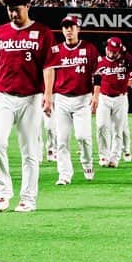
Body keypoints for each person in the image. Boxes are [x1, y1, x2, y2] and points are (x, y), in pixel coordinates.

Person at [0, 0, 55, 211]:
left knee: (30, 150)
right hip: (3, 96)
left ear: (28, 6)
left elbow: (49, 66)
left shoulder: (43, 32)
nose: (13, 13)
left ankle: (28, 198)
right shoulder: (0, 33)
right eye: (10, 9)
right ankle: (4, 191)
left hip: (31, 98)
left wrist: (48, 94)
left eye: (17, 8)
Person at [43, 12, 99, 186]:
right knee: (62, 139)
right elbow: (49, 71)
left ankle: (87, 163)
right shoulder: (56, 50)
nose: (68, 30)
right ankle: (64, 174)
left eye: (72, 27)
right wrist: (48, 95)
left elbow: (97, 73)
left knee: (83, 137)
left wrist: (96, 95)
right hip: (62, 99)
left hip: (83, 99)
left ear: (78, 29)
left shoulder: (89, 48)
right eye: (65, 27)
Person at [93, 36, 132, 169]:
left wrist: (125, 53)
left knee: (118, 129)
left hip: (120, 98)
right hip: (104, 97)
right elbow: (95, 80)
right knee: (101, 126)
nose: (111, 53)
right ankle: (103, 155)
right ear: (106, 48)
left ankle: (114, 158)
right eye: (109, 50)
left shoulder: (125, 61)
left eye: (115, 51)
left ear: (119, 50)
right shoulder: (100, 62)